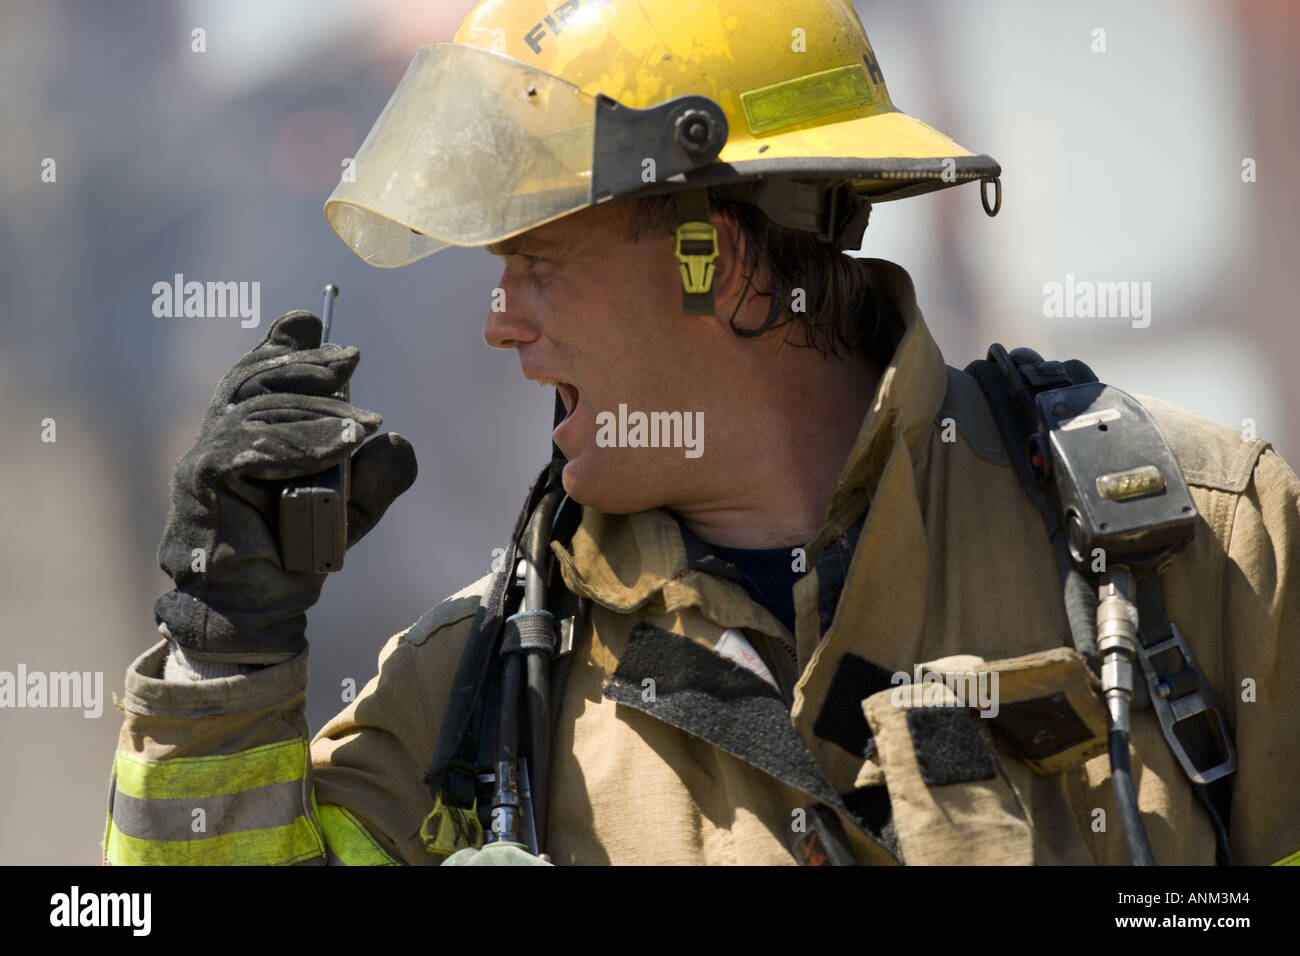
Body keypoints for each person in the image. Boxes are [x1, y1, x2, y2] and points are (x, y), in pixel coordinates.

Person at [105, 0, 1300, 866]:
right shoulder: (478, 692)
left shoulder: (1200, 548)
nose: (499, 325)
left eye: (539, 266)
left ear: (714, 264)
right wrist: (224, 656)